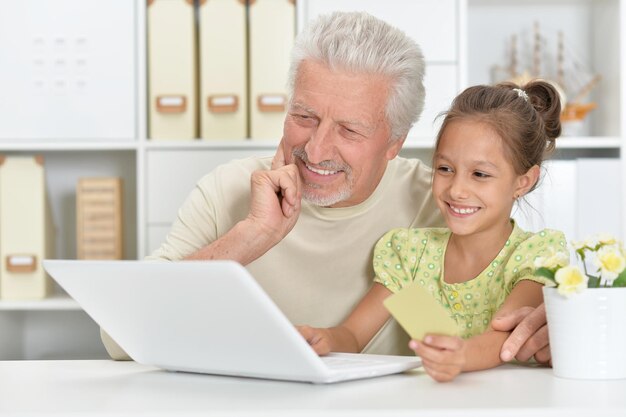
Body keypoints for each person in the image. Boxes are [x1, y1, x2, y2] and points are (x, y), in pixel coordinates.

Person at [101, 11, 555, 365]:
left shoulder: (445, 207)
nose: (316, 149)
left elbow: (489, 320)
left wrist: (552, 323)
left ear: (396, 142)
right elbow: (119, 338)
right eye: (304, 117)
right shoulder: (228, 190)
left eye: (349, 130)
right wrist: (253, 234)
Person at [296, 80, 567, 382]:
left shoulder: (537, 256)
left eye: (480, 174)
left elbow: (505, 338)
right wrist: (325, 339)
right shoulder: (410, 254)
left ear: (523, 182)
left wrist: (460, 356)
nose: (457, 189)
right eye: (445, 169)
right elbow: (353, 335)